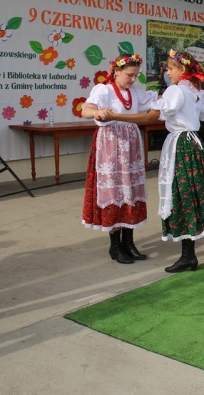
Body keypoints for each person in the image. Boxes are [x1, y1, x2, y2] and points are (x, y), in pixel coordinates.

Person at [99, 49, 204, 272]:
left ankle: (200, 242)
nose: (168, 73)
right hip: (194, 142)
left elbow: (151, 117)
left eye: (170, 69)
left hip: (180, 144)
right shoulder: (197, 90)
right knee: (193, 191)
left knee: (180, 195)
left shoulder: (176, 90)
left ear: (182, 69)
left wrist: (115, 116)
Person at [81, 54, 159, 264]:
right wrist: (97, 113)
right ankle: (115, 246)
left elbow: (159, 101)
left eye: (136, 75)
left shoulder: (135, 92)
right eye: (129, 75)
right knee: (114, 191)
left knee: (130, 191)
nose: (133, 79)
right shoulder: (104, 90)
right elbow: (85, 109)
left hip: (131, 148)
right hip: (111, 146)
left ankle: (129, 242)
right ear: (116, 72)